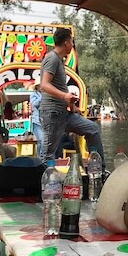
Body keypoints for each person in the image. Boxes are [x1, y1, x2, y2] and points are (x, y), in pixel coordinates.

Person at [39, 28, 105, 166]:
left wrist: (72, 106)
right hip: (52, 113)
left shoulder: (59, 60)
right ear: (66, 43)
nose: (72, 45)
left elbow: (60, 87)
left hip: (65, 113)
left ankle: (97, 167)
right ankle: (43, 183)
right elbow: (44, 85)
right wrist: (64, 96)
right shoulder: (52, 59)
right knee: (48, 153)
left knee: (92, 129)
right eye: (72, 42)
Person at [29, 86, 43, 152]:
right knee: (41, 140)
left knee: (46, 142)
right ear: (36, 86)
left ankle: (45, 158)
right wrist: (42, 97)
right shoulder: (33, 95)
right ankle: (40, 159)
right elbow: (34, 104)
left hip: (46, 121)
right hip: (37, 122)